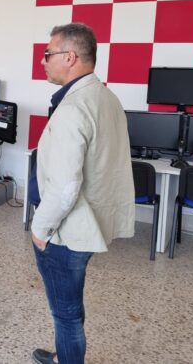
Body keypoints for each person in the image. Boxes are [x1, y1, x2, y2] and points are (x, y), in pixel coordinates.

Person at [30, 23, 135, 364]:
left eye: (48, 53)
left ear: (70, 57)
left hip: (66, 232)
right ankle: (64, 355)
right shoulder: (106, 97)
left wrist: (40, 230)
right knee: (71, 306)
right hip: (91, 223)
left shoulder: (73, 108)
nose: (43, 60)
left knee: (65, 314)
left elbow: (66, 186)